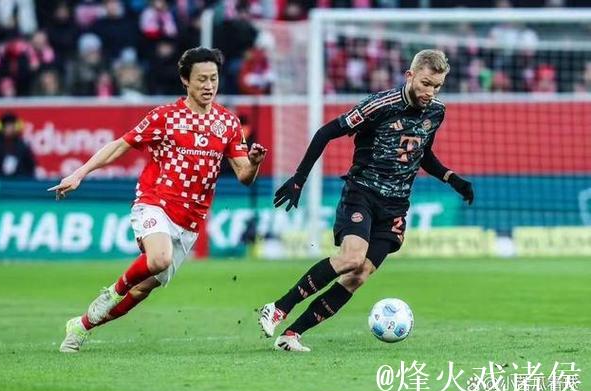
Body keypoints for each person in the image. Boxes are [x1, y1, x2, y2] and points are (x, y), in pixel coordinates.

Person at [50, 47, 267, 353]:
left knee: (142, 289)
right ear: (185, 80)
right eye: (201, 79)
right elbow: (120, 145)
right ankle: (112, 292)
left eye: (213, 78)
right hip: (155, 202)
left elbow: (244, 176)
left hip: (191, 221)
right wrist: (79, 173)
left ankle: (82, 326)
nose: (209, 85)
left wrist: (254, 162)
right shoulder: (165, 117)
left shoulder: (228, 123)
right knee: (159, 259)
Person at [259, 49, 474, 352]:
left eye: (437, 86)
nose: (430, 92)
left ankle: (292, 334)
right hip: (363, 193)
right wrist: (299, 179)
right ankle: (279, 307)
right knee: (351, 258)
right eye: (425, 83)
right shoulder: (380, 105)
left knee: (358, 276)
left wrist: (452, 178)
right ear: (410, 76)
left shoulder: (436, 112)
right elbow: (326, 132)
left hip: (396, 207)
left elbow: (421, 152)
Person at [0, 112, 36, 177]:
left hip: (18, 181)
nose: (9, 129)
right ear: (1, 127)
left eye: (12, 126)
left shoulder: (23, 147)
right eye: (6, 126)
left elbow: (30, 168)